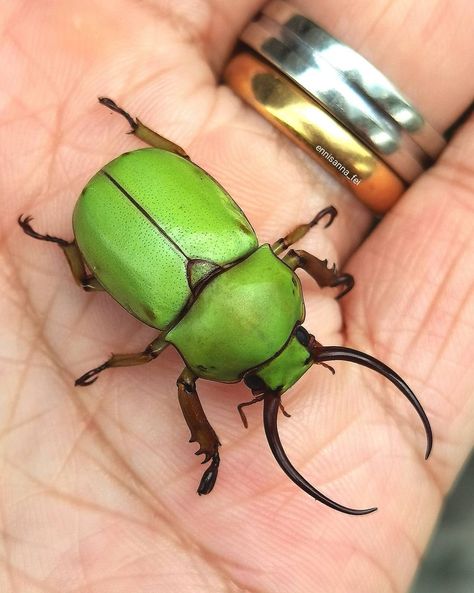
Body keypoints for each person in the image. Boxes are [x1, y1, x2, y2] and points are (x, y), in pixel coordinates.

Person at [0, 1, 472, 591]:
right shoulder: (245, 287)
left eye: (257, 380)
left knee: (112, 262)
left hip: (134, 202)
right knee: (103, 283)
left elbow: (288, 253)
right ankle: (72, 225)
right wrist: (325, 270)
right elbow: (287, 257)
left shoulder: (266, 261)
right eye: (300, 336)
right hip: (129, 216)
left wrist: (309, 256)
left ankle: (76, 221)